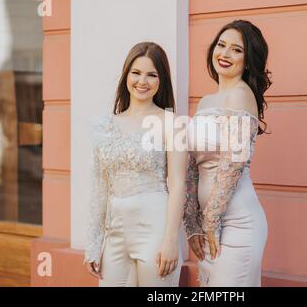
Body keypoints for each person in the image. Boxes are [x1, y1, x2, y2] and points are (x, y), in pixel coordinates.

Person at [84, 42, 186, 287]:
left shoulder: (173, 123)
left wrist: (171, 240)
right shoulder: (106, 126)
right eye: (136, 73)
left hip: (155, 230)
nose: (143, 81)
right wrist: (93, 242)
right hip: (115, 234)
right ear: (126, 75)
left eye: (152, 74)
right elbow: (100, 185)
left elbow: (179, 184)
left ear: (162, 80)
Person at [184, 20, 270, 286]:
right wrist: (192, 224)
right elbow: (192, 166)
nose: (225, 54)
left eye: (236, 50)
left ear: (248, 60)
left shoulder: (242, 96)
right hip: (210, 224)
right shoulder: (206, 101)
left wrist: (209, 222)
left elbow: (233, 165)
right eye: (221, 45)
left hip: (237, 223)